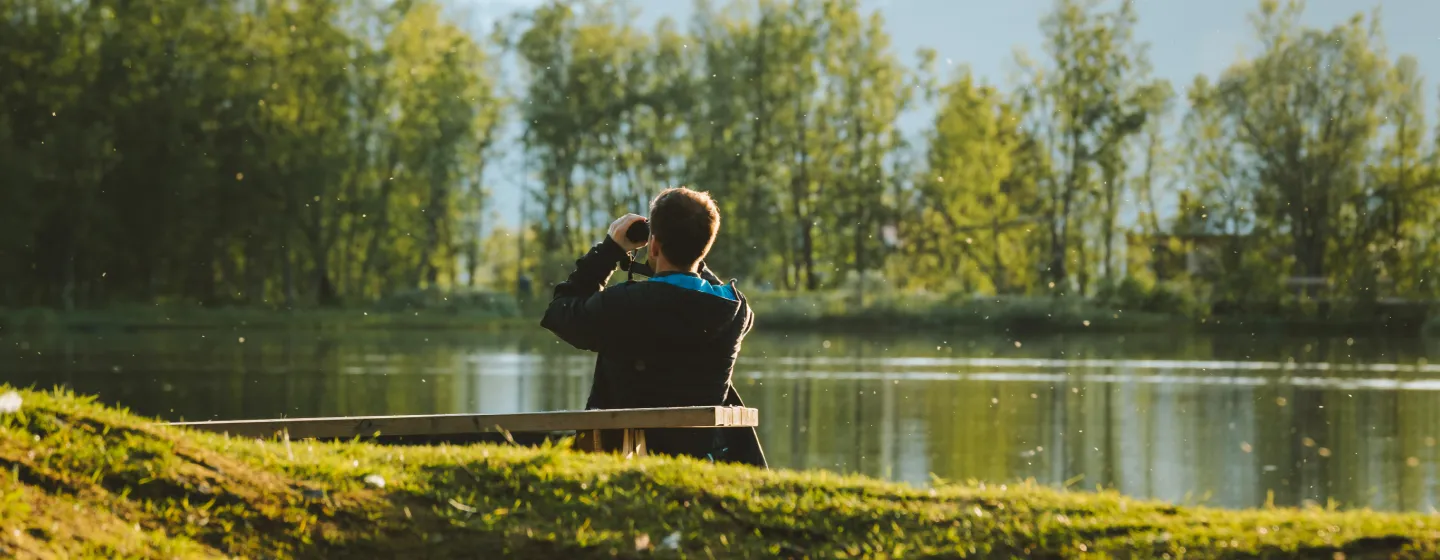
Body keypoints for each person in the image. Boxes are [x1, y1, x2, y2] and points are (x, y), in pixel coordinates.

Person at [539, 187, 766, 467]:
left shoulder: (623, 304)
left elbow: (560, 312)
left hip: (623, 457)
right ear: (705, 246)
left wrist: (609, 251)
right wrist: (691, 257)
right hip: (701, 459)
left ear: (654, 245)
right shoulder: (734, 310)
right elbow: (705, 294)